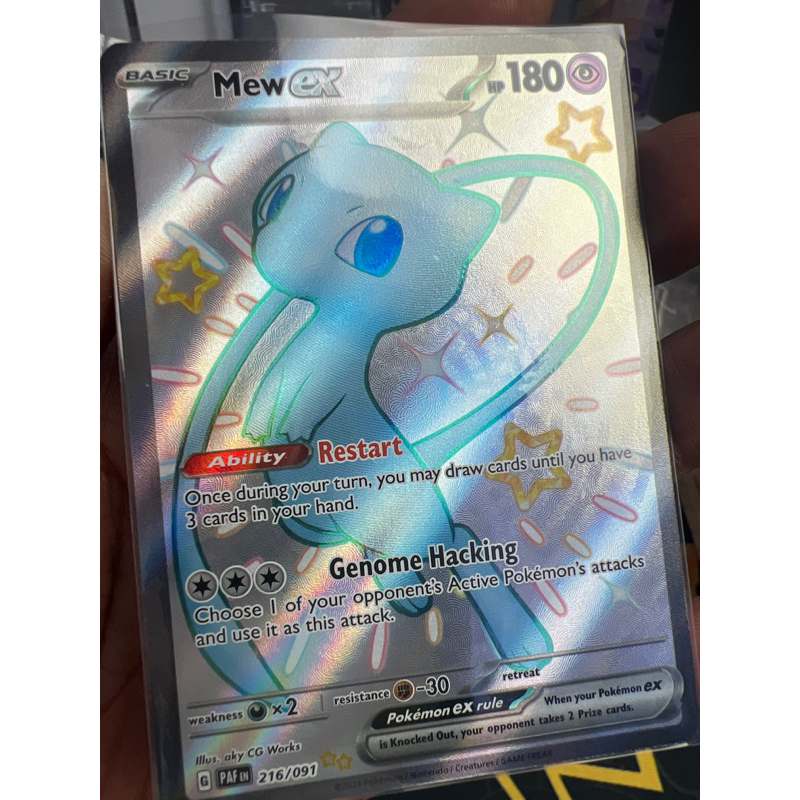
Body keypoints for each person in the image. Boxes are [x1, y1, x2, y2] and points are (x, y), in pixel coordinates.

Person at [100, 1, 699, 796]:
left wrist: (274, 470)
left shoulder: (331, 345)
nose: (289, 239)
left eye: (370, 240)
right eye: (285, 203)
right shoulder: (318, 339)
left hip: (369, 503)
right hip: (338, 515)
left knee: (441, 558)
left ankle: (511, 639)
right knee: (435, 560)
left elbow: (292, 414)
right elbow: (288, 416)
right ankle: (494, 635)